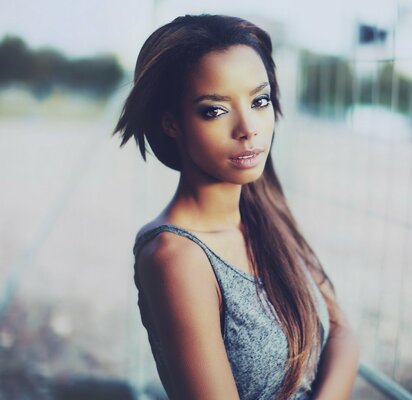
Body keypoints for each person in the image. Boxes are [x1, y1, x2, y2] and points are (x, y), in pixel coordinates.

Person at [113, 14, 360, 400]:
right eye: (214, 109)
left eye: (260, 101)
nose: (249, 128)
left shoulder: (264, 210)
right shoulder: (176, 256)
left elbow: (342, 330)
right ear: (171, 123)